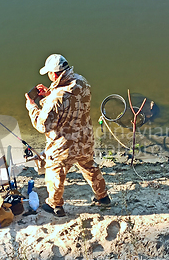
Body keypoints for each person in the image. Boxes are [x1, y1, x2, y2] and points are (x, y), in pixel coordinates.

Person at [25, 54, 110, 217]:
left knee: (55, 172)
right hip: (85, 139)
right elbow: (70, 101)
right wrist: (50, 93)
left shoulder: (56, 97)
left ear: (55, 74)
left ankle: (55, 205)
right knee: (89, 167)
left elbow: (43, 125)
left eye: (49, 73)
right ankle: (103, 197)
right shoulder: (82, 82)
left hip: (63, 147)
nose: (48, 76)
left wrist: (32, 107)